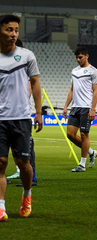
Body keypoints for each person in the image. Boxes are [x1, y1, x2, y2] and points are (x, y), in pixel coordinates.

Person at [0, 14, 43, 221]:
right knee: (0, 162)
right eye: (9, 30)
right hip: (0, 119)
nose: (14, 34)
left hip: (21, 118)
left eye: (16, 30)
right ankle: (0, 206)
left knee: (23, 162)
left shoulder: (27, 56)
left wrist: (38, 112)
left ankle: (27, 196)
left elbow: (35, 83)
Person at [62, 46, 97, 172]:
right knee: (70, 134)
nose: (78, 60)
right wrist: (66, 106)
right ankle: (91, 152)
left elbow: (95, 91)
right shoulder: (74, 71)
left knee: (84, 134)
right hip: (75, 107)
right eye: (76, 58)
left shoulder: (93, 71)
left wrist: (93, 109)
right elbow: (72, 89)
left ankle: (82, 164)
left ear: (86, 56)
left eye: (80, 57)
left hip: (86, 107)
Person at [7, 39, 38, 187]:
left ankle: (32, 178)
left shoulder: (24, 62)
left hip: (21, 114)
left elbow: (32, 85)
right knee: (14, 150)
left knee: (26, 148)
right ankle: (21, 172)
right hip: (8, 113)